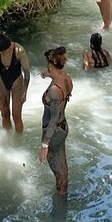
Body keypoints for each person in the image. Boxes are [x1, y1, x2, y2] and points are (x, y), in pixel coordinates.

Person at [38, 46, 74, 195]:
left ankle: (61, 201)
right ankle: (63, 192)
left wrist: (44, 145)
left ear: (51, 65)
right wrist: (48, 75)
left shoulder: (54, 90)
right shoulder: (66, 78)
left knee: (58, 172)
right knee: (63, 167)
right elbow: (58, 77)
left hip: (53, 132)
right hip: (63, 127)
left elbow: (52, 120)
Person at [0, 34, 31, 133]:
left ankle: (19, 140)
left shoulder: (19, 50)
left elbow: (27, 73)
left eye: (3, 52)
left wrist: (25, 92)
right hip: (2, 79)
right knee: (5, 114)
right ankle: (8, 138)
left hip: (17, 80)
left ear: (9, 46)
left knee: (16, 115)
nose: (1, 53)